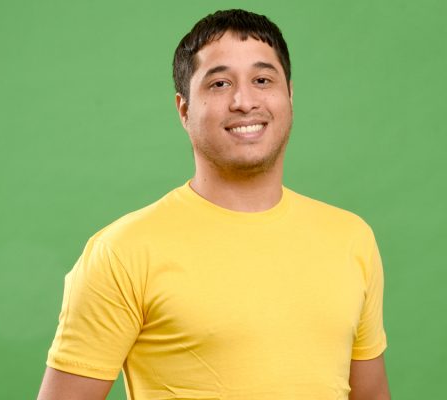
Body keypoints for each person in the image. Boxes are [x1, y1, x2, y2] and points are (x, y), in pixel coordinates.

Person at [37, 9, 390, 400]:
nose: (244, 101)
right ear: (184, 109)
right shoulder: (121, 253)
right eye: (220, 83)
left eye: (262, 80)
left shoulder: (351, 238)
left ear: (289, 95)